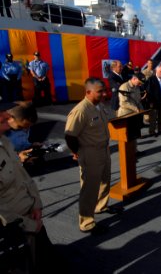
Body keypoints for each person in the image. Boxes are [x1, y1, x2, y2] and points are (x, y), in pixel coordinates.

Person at [0, 102, 59, 273]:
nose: (7, 118)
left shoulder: (4, 142)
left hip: (30, 215)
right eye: (3, 115)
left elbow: (23, 177)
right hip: (14, 229)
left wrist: (36, 204)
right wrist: (29, 225)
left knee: (45, 261)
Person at [65, 78, 122, 234]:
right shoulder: (80, 111)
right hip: (90, 152)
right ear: (88, 92)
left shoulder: (98, 106)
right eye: (100, 92)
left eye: (104, 90)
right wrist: (76, 152)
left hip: (103, 149)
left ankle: (101, 206)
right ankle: (86, 222)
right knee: (89, 188)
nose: (104, 94)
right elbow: (70, 135)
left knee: (105, 180)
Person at [146, 65, 161, 136]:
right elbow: (149, 91)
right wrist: (151, 102)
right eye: (160, 71)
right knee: (153, 117)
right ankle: (152, 131)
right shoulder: (151, 79)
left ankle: (160, 130)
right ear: (156, 71)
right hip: (155, 100)